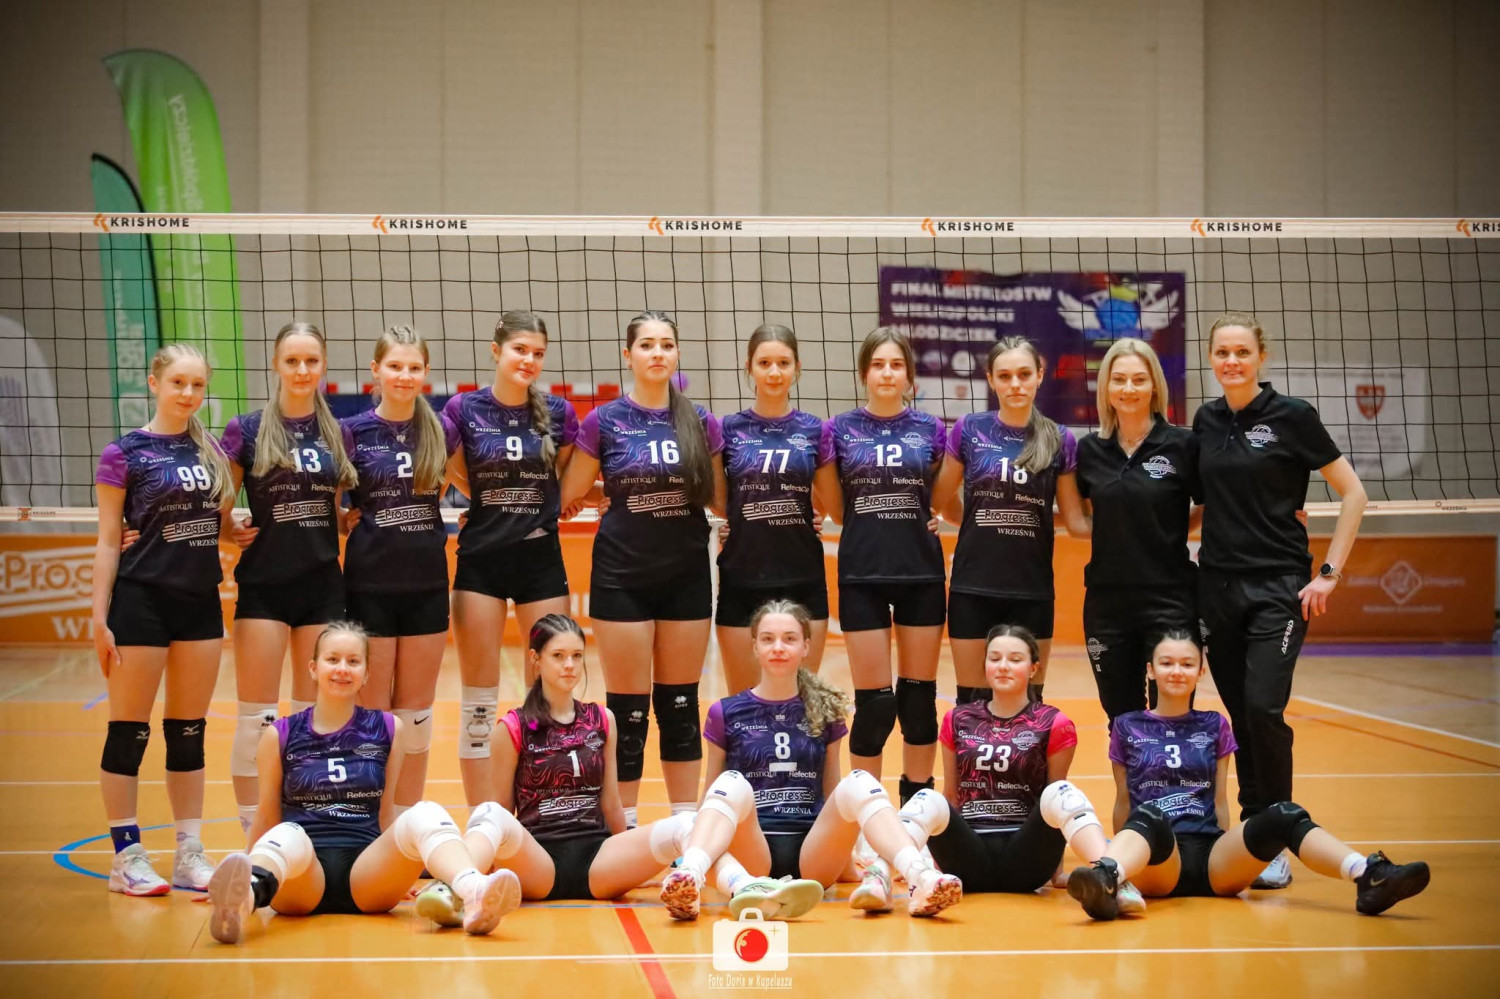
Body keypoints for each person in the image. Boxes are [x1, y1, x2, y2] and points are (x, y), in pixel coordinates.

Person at [1066, 629, 1429, 920]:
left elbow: (1220, 801)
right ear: (1151, 670)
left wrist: (1230, 850)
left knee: (1284, 814)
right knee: (1149, 814)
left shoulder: (1214, 724)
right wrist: (1129, 864)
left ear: (1200, 672)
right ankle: (1108, 878)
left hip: (1212, 859)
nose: (1177, 671)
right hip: (1159, 859)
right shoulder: (1127, 726)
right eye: (1167, 663)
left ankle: (1368, 875)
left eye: (1187, 664)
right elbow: (1123, 802)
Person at [205, 621, 522, 942]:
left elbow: (386, 813)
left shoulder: (388, 728)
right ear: (313, 668)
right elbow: (266, 816)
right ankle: (241, 900)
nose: (342, 669)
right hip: (302, 876)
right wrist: (250, 865)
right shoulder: (281, 734)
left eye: (353, 661)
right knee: (288, 832)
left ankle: (474, 891)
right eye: (333, 659)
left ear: (367, 673)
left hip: (366, 874)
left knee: (424, 811)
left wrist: (394, 868)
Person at [1193, 312, 1368, 888]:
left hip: (1277, 587)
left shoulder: (1292, 416)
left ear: (1260, 357)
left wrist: (1329, 575)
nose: (1232, 361)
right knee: (1242, 715)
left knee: (1265, 709)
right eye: (1223, 352)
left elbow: (1353, 493)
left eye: (1242, 352)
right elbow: (1204, 503)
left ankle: (1278, 833)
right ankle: (1255, 834)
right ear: (1211, 357)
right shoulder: (1206, 419)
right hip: (1217, 586)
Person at [427, 614, 746, 912]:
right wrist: (491, 862)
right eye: (558, 656)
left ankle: (739, 886)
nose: (569, 665)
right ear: (535, 659)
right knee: (487, 813)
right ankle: (453, 888)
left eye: (577, 656)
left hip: (598, 861)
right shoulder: (513, 726)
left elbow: (611, 804)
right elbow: (501, 809)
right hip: (539, 862)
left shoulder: (601, 719)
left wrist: (632, 860)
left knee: (687, 824)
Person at [676, 598, 961, 919]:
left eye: (789, 639)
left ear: (806, 646)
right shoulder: (725, 712)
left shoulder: (824, 709)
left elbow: (834, 794)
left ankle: (920, 876)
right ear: (754, 646)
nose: (778, 648)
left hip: (813, 854)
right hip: (752, 851)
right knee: (730, 783)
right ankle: (689, 876)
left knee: (859, 781)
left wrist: (846, 861)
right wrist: (709, 854)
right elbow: (710, 797)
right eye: (768, 639)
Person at [558, 310, 724, 821]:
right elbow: (568, 493)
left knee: (680, 707)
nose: (657, 353)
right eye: (647, 345)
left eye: (666, 345)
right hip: (622, 577)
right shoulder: (604, 421)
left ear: (677, 355)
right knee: (627, 713)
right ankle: (624, 826)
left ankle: (684, 826)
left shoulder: (700, 421)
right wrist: (605, 492)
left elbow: (722, 499)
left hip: (686, 576)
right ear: (627, 355)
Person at [91, 343, 232, 895]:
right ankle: (126, 858)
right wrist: (98, 617)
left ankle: (188, 853)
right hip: (141, 601)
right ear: (154, 383)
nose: (188, 394)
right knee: (129, 732)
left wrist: (237, 531)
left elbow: (218, 520)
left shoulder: (212, 450)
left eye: (197, 385)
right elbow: (109, 540)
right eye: (178, 383)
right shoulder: (123, 453)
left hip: (199, 601)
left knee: (188, 733)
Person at [889, 624, 1140, 910]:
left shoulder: (1053, 722)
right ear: (985, 665)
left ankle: (1113, 879)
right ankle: (885, 874)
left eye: (1015, 659)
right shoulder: (958, 719)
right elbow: (951, 796)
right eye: (995, 658)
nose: (1003, 666)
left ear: (1034, 668)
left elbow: (1053, 804)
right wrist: (933, 858)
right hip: (967, 858)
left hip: (1027, 860)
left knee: (1062, 790)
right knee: (926, 797)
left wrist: (1056, 871)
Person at [220, 321, 357, 835]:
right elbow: (217, 504)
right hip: (265, 587)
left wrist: (347, 522)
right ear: (277, 364)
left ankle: (305, 826)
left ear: (323, 366)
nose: (302, 370)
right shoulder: (247, 429)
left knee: (313, 719)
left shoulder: (337, 432)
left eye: (311, 361)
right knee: (256, 718)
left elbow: (334, 510)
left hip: (322, 587)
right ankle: (251, 831)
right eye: (292, 360)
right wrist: (228, 528)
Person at [443, 310, 578, 805]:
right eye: (520, 350)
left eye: (538, 353)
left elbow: (563, 479)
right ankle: (483, 813)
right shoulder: (464, 408)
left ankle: (542, 808)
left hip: (540, 557)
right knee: (479, 701)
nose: (529, 360)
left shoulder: (559, 413)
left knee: (550, 692)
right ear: (496, 350)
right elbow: (454, 469)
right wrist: (487, 500)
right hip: (482, 558)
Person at [341, 325, 460, 811]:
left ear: (425, 372)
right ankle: (373, 817)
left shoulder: (441, 430)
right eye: (395, 366)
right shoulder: (352, 431)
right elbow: (328, 503)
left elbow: (466, 484)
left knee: (415, 715)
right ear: (376, 370)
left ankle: (408, 821)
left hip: (426, 584)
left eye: (414, 367)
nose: (404, 376)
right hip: (369, 584)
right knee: (373, 715)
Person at [931, 336, 1086, 706]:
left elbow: (1074, 519)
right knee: (972, 703)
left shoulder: (1059, 439)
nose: (1015, 384)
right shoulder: (969, 429)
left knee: (1029, 703)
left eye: (1024, 374)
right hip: (973, 587)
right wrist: (977, 516)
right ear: (990, 379)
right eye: (1004, 376)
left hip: (1031, 589)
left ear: (1039, 376)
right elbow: (940, 500)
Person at [827, 326, 946, 803]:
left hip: (921, 573)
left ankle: (916, 810)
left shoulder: (932, 430)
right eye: (878, 364)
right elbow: (836, 508)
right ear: (864, 374)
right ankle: (868, 812)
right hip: (863, 574)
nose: (887, 373)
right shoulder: (838, 430)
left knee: (918, 701)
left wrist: (943, 517)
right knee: (875, 706)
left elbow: (942, 496)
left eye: (897, 365)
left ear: (909, 376)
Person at [1074, 337, 1200, 726]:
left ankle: (1171, 771)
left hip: (1170, 598)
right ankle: (1126, 773)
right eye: (1119, 379)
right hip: (1107, 603)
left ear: (1154, 387)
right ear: (1106, 388)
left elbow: (1212, 504)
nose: (1128, 388)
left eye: (1139, 380)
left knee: (1173, 711)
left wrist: (1172, 528)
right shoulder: (1090, 450)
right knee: (1120, 717)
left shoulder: (1183, 445)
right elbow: (1077, 516)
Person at [714, 324, 839, 693]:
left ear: (797, 367)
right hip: (742, 577)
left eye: (783, 363)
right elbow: (719, 500)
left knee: (803, 701)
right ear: (748, 367)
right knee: (743, 703)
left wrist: (808, 512)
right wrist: (741, 516)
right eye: (764, 362)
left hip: (802, 577)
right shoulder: (727, 429)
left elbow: (833, 501)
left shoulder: (815, 430)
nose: (774, 372)